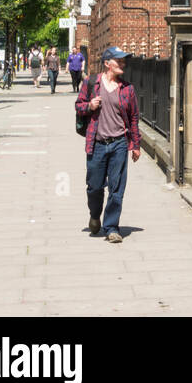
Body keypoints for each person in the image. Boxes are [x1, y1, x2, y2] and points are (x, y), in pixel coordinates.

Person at [76, 47, 140, 243]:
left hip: (119, 143)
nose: (123, 64)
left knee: (117, 188)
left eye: (124, 61)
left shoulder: (127, 89)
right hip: (97, 144)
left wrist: (136, 145)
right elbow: (78, 105)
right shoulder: (91, 84)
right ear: (107, 63)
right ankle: (95, 215)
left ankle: (111, 227)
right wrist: (89, 106)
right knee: (94, 187)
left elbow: (134, 117)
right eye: (119, 61)